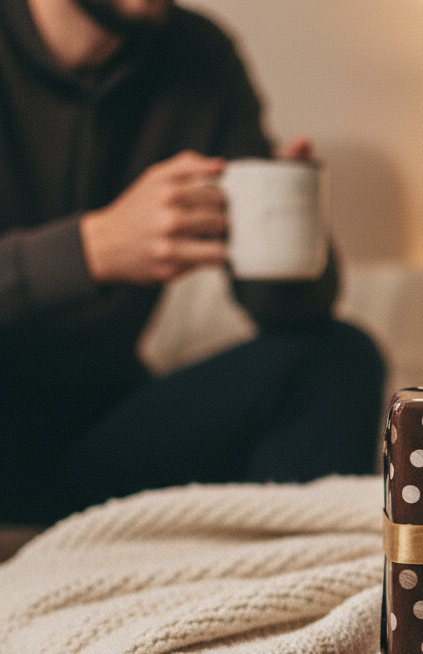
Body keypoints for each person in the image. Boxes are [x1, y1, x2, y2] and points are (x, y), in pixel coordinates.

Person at [0, 0, 386, 525]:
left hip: (102, 437)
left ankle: (291, 596)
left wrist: (283, 230)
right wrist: (92, 249)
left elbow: (289, 315)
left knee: (337, 358)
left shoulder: (199, 55)